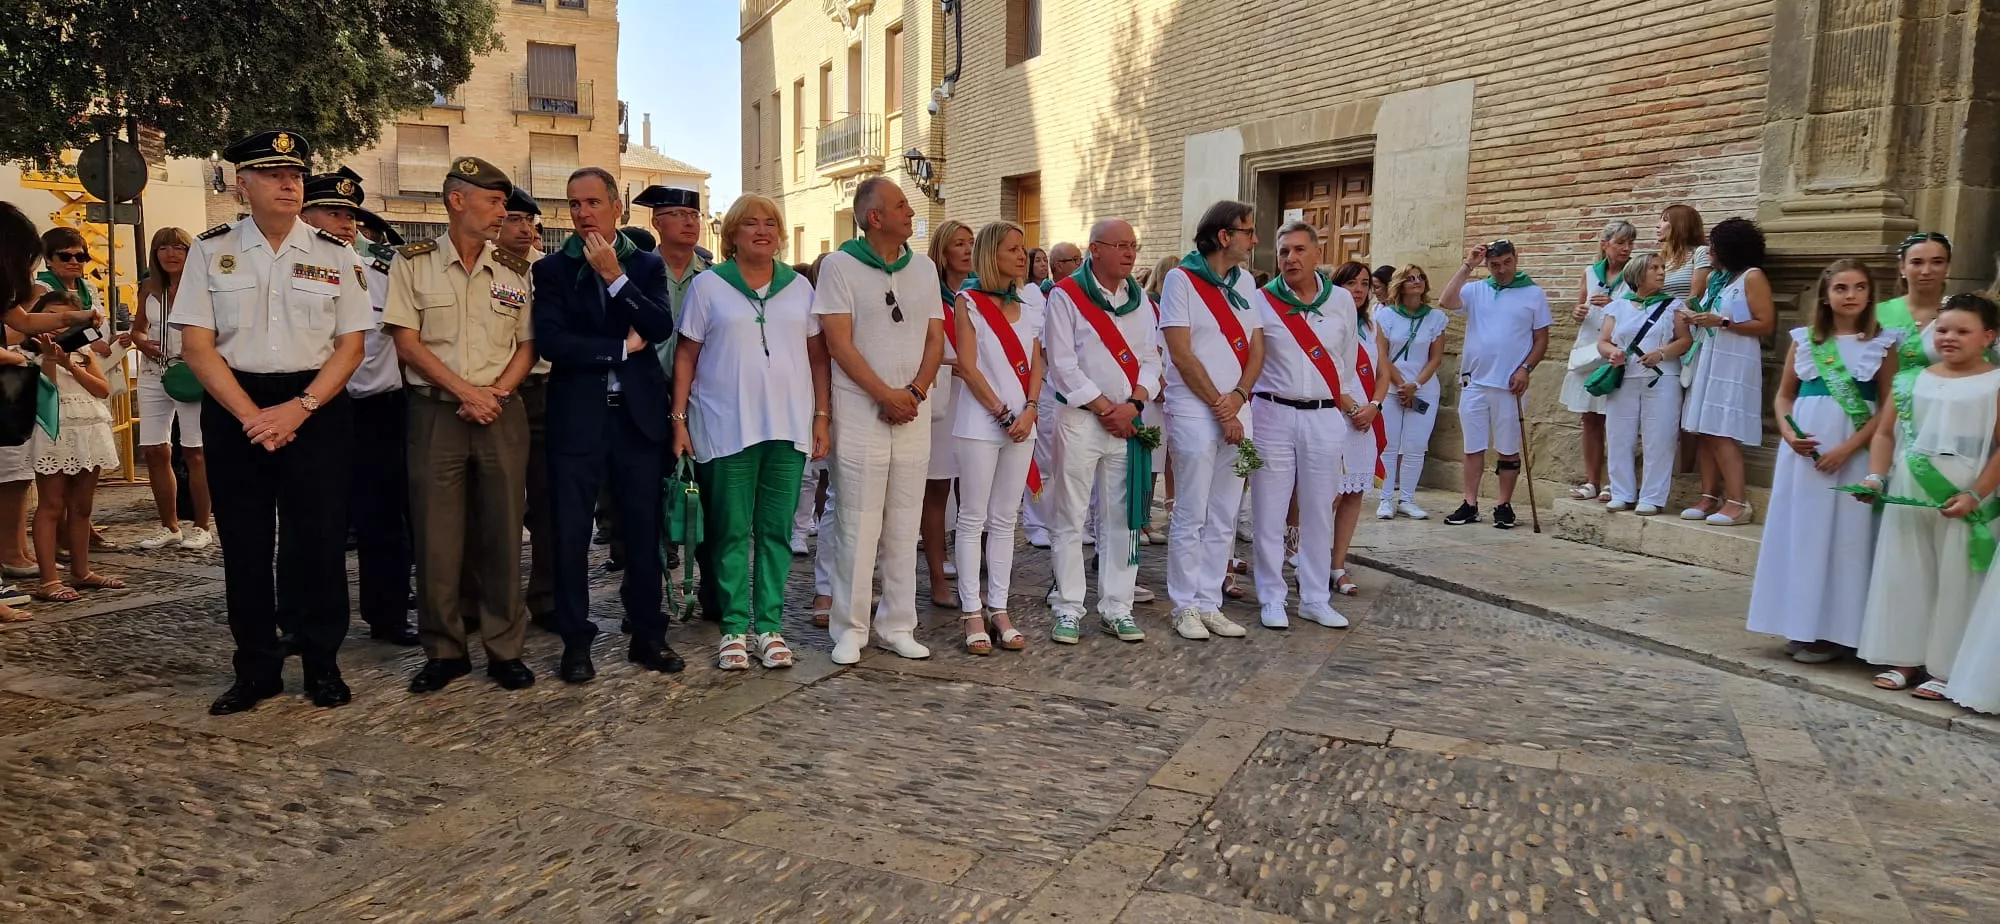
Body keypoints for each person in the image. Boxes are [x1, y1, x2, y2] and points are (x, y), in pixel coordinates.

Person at [174, 130, 373, 714]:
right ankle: (256, 669)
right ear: (243, 185)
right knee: (245, 544)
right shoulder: (210, 251)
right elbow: (197, 346)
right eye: (273, 175)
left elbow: (351, 347)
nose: (290, 184)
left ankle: (322, 664)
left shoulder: (336, 255)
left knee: (320, 542)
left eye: (295, 175)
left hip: (316, 405)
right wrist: (252, 416)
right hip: (237, 404)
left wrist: (299, 408)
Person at [384, 157, 538, 693]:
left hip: (500, 412)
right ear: (457, 201)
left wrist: (495, 394)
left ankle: (505, 648)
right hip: (436, 413)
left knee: (503, 532)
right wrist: (464, 392)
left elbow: (527, 346)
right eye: (493, 202)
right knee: (437, 537)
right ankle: (445, 650)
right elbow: (406, 342)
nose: (502, 213)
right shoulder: (413, 263)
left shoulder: (516, 270)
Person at [534, 167, 682, 683]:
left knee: (642, 531)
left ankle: (647, 634)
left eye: (593, 202)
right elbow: (553, 342)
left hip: (637, 419)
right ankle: (576, 642)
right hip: (578, 418)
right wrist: (618, 348)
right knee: (571, 533)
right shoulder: (552, 270)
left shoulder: (645, 264)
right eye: (574, 204)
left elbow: (659, 326)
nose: (582, 213)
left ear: (617, 207)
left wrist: (614, 277)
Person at [671, 193, 829, 670]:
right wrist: (678, 420)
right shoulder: (708, 286)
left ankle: (770, 627)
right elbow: (686, 356)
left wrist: (822, 416)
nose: (763, 231)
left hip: (787, 424)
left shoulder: (800, 288)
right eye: (751, 223)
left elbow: (818, 358)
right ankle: (734, 628)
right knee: (731, 531)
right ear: (732, 234)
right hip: (725, 424)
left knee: (776, 531)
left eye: (770, 223)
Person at [815, 177, 944, 664]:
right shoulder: (839, 266)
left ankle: (897, 623)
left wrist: (914, 392)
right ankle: (850, 628)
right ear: (874, 217)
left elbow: (935, 338)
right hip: (860, 410)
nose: (910, 212)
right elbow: (838, 342)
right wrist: (885, 395)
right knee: (857, 521)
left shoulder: (924, 268)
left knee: (905, 520)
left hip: (913, 409)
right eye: (901, 205)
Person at [1747, 259, 1896, 662]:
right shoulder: (1805, 340)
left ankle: (1836, 630)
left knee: (1846, 537)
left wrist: (1850, 447)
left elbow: (1888, 406)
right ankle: (1799, 621)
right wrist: (1788, 432)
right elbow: (1784, 396)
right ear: (1826, 296)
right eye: (1841, 288)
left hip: (1854, 451)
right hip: (1804, 454)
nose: (1851, 295)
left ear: (1870, 293)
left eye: (1860, 287)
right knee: (1802, 532)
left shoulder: (1883, 343)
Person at [1855, 294, 2000, 701]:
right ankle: (1904, 657)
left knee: (1957, 579)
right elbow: (1885, 434)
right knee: (1905, 570)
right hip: (1909, 488)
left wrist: (1976, 493)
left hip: (1967, 491)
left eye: (1962, 331)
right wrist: (1875, 477)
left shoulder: (1995, 382)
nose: (1949, 337)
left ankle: (1946, 666)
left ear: (1988, 336)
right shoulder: (1910, 379)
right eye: (1943, 329)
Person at [297, 167, 419, 647]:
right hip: (313, 407)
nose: (345, 223)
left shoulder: (385, 271)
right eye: (331, 212)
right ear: (305, 215)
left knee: (384, 520)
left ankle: (388, 615)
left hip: (377, 408)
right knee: (313, 519)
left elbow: (406, 339)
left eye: (350, 215)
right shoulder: (288, 271)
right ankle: (307, 620)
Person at [1043, 218, 1161, 644]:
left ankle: (1117, 607)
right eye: (1120, 245)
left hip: (1126, 421)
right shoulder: (1066, 296)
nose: (1130, 253)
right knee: (1071, 515)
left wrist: (1135, 404)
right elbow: (1062, 364)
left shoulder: (1140, 301)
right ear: (1095, 249)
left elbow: (1152, 359)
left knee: (1121, 517)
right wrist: (1104, 407)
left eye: (1133, 245)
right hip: (1080, 420)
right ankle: (1068, 607)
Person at [1158, 201, 1262, 641]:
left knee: (1224, 511)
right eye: (1248, 231)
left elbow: (1257, 347)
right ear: (1224, 236)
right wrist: (1222, 407)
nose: (1254, 240)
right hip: (1193, 409)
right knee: (1192, 509)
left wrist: (1238, 398)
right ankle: (1184, 604)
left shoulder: (1246, 282)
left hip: (1237, 407)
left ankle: (1209, 601)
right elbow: (1181, 353)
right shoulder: (1181, 280)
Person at [1251, 222, 1358, 630]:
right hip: (1273, 412)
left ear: (1317, 254)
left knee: (1318, 510)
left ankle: (1315, 597)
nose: (1290, 258)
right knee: (1269, 509)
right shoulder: (1261, 300)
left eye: (1298, 250)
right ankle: (1271, 597)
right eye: (1283, 252)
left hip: (1324, 415)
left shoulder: (1341, 301)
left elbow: (1346, 361)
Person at [951, 221, 1043, 654]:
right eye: (1012, 249)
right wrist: (1003, 413)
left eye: (1023, 248)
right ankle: (971, 609)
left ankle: (999, 606)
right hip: (980, 423)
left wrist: (1031, 408)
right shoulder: (968, 301)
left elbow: (1038, 362)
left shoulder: (1031, 302)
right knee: (973, 517)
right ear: (992, 255)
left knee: (1006, 519)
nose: (1022, 256)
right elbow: (968, 367)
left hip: (1024, 422)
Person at [1439, 240, 1550, 529]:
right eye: (1495, 265)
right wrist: (1468, 265)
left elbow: (1541, 340)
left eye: (1506, 263)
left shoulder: (1533, 293)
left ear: (1516, 258)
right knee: (1473, 447)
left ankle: (1503, 504)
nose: (1501, 270)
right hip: (1474, 381)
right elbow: (1446, 301)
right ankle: (1470, 503)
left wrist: (1526, 369)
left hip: (1510, 385)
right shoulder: (1477, 290)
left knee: (1507, 448)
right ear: (1487, 265)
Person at [25, 290, 123, 603]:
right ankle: (48, 580)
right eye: (50, 317)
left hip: (89, 428)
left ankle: (82, 571)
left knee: (82, 506)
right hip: (54, 429)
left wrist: (71, 363)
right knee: (52, 504)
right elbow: (47, 391)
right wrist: (51, 359)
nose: (57, 325)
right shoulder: (27, 351)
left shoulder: (83, 351)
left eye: (64, 319)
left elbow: (102, 389)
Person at [1678, 218, 1774, 526]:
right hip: (1710, 356)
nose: (1709, 252)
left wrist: (1722, 322)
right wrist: (1695, 317)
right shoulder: (1717, 279)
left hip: (1734, 361)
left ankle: (1737, 502)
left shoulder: (1752, 277)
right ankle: (1709, 496)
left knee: (1722, 429)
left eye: (1714, 246)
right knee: (1706, 429)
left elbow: (1765, 324)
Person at [129, 227, 215, 551]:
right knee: (154, 450)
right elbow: (138, 329)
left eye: (179, 247)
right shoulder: (149, 289)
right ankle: (169, 525)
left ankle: (202, 526)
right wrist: (142, 343)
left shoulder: (204, 288)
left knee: (195, 451)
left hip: (191, 372)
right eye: (163, 248)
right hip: (154, 372)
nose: (171, 254)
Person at [497, 186, 556, 632]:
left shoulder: (548, 270)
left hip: (545, 390)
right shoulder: (482, 267)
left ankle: (547, 598)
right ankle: (486, 600)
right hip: (494, 393)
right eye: (513, 219)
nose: (523, 229)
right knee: (493, 505)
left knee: (547, 502)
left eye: (528, 221)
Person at [1594, 254, 1694, 514]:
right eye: (1654, 268)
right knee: (1618, 435)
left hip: (1663, 377)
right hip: (1624, 377)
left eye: (1662, 268)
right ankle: (1621, 492)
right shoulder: (1618, 307)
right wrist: (1613, 353)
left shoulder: (1673, 306)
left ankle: (1652, 497)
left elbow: (1685, 340)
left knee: (1660, 437)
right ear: (1638, 274)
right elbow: (1603, 341)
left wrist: (1661, 353)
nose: (1661, 272)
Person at [1559, 221, 1637, 502]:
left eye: (1630, 243)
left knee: (1615, 420)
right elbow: (1580, 308)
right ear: (1605, 245)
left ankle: (1615, 482)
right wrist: (1577, 312)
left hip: (1616, 353)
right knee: (1589, 419)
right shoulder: (1590, 272)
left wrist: (1614, 306)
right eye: (1620, 242)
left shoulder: (1634, 274)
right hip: (1588, 351)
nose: (1626, 248)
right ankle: (1592, 481)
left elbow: (1641, 310)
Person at [1327, 262, 1387, 596]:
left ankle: (1338, 566)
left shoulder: (1372, 326)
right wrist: (1352, 409)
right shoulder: (1326, 321)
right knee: (1330, 495)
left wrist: (1374, 406)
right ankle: (1312, 562)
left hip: (1366, 418)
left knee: (1354, 494)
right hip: (1337, 414)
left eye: (1364, 283)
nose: (1359, 289)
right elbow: (1327, 373)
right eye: (1351, 283)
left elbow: (1384, 373)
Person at [923, 219, 974, 608]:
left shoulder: (980, 294)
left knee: (973, 490)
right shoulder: (929, 295)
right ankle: (937, 577)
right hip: (944, 397)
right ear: (942, 252)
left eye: (971, 242)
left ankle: (972, 573)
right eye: (959, 243)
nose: (968, 249)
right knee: (937, 489)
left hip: (977, 398)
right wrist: (950, 363)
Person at [1373, 264, 1448, 520]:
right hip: (1391, 389)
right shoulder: (1386, 316)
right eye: (1410, 278)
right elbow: (1382, 355)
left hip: (1424, 389)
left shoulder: (1435, 318)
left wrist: (1415, 385)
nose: (1417, 281)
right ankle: (1385, 499)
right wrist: (1401, 384)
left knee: (1416, 445)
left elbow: (1436, 358)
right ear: (1400, 285)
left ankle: (1407, 499)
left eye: (1420, 277)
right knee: (1389, 444)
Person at [1876, 232, 1954, 390]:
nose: (1926, 271)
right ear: (1902, 267)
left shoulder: (1961, 313)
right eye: (1917, 262)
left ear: (1948, 267)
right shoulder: (1877, 314)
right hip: (1890, 402)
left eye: (1937, 262)